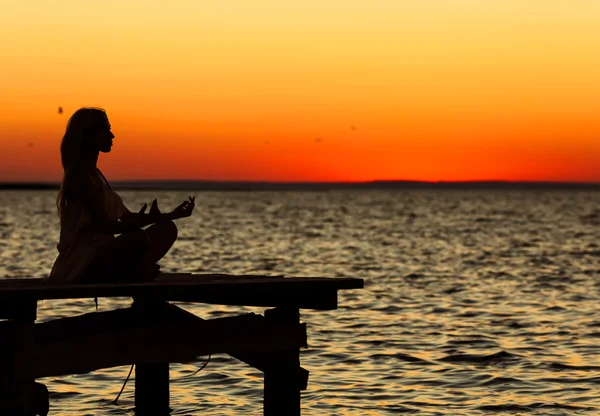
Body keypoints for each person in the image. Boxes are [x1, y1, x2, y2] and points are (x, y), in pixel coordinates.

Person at [47, 107, 195, 283]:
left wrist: (171, 215)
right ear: (89, 135)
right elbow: (108, 226)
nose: (112, 136)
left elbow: (127, 218)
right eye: (106, 130)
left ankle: (135, 270)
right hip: (82, 262)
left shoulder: (96, 175)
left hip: (104, 254)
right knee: (138, 238)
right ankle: (136, 271)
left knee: (167, 228)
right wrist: (138, 224)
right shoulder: (80, 176)